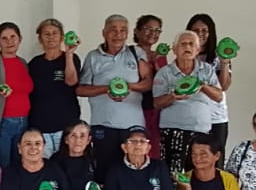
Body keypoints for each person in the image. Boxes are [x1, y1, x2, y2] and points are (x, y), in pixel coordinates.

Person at [78, 16, 153, 174]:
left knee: (135, 170)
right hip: (103, 124)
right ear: (104, 33)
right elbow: (81, 89)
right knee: (104, 172)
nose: (118, 34)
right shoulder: (93, 56)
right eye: (113, 30)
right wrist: (107, 89)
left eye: (123, 30)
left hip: (133, 125)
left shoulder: (136, 53)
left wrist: (127, 87)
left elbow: (148, 82)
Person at [152, 30, 222, 175]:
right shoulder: (165, 72)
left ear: (198, 49)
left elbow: (219, 96)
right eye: (183, 44)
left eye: (191, 44)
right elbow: (157, 103)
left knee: (200, 174)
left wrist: (202, 86)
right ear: (174, 49)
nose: (187, 47)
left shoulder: (207, 70)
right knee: (173, 175)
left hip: (201, 131)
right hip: (172, 131)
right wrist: (172, 96)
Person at [0, 22, 33, 168]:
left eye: (13, 37)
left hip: (24, 122)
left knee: (21, 165)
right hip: (2, 124)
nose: (9, 41)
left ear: (20, 39)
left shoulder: (23, 63)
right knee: (2, 167)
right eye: (4, 38)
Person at [27, 18, 80, 160]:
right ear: (40, 39)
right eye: (46, 34)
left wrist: (69, 54)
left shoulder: (71, 58)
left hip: (66, 124)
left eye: (55, 33)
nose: (51, 37)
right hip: (40, 125)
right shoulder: (34, 64)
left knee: (66, 164)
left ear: (62, 37)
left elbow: (71, 82)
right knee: (44, 165)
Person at [188, 13, 232, 152]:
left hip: (216, 117)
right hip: (191, 116)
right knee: (191, 158)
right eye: (196, 30)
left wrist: (224, 63)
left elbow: (223, 86)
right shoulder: (184, 54)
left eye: (204, 30)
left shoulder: (219, 55)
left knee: (215, 157)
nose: (200, 34)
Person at [133, 15, 168, 159]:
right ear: (137, 31)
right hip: (135, 108)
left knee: (154, 150)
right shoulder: (130, 53)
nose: (153, 33)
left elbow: (165, 83)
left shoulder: (160, 56)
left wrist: (157, 64)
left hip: (156, 110)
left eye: (157, 30)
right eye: (148, 29)